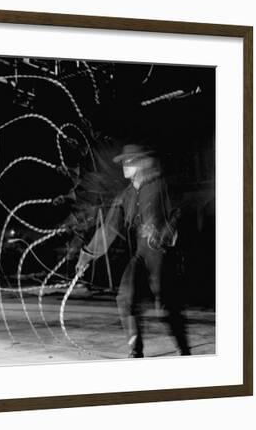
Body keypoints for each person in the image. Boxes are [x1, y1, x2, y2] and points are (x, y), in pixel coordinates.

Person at [75, 144, 190, 358]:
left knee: (166, 303)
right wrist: (86, 255)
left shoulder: (160, 185)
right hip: (140, 255)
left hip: (162, 254)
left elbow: (178, 211)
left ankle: (184, 351)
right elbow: (108, 229)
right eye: (123, 162)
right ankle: (136, 351)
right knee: (126, 296)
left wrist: (165, 233)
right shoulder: (125, 196)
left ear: (141, 163)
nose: (124, 166)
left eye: (129, 162)